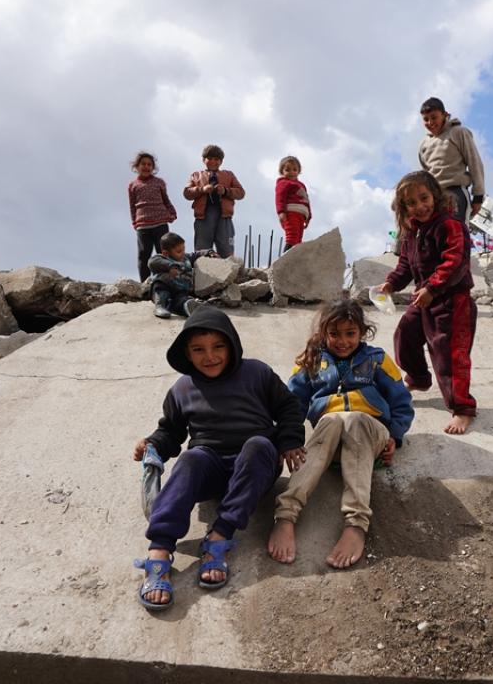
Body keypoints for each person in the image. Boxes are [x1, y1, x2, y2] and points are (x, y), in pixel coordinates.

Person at [132, 308, 305, 612]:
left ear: (232, 345)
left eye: (218, 346)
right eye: (198, 349)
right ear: (187, 353)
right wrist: (153, 443)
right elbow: (171, 431)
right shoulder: (182, 388)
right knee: (191, 459)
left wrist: (290, 439)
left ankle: (219, 534)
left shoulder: (257, 373)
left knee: (258, 445)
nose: (209, 356)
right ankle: (159, 548)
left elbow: (288, 406)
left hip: (255, 466)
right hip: (210, 467)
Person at [267, 297, 414, 569]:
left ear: (362, 332)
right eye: (334, 334)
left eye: (350, 333)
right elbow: (292, 406)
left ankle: (356, 523)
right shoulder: (310, 361)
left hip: (370, 436)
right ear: (324, 333)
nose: (343, 341)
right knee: (334, 420)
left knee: (355, 419)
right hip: (330, 441)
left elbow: (401, 402)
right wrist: (286, 441)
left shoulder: (377, 359)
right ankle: (285, 515)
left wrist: (394, 436)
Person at [375, 171, 478, 435]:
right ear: (403, 208)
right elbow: (405, 265)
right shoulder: (412, 232)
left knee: (449, 355)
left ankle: (462, 408)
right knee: (405, 335)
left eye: (424, 198)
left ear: (435, 195)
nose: (420, 206)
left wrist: (432, 287)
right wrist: (391, 283)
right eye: (411, 203)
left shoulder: (450, 225)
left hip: (452, 301)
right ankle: (419, 378)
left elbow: (455, 261)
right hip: (424, 299)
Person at [417, 97, 486, 226]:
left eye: (434, 117)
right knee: (434, 234)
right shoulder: (424, 145)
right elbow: (425, 173)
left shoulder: (458, 133)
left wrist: (478, 196)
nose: (430, 122)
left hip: (455, 193)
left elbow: (474, 163)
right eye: (426, 119)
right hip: (434, 197)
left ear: (444, 115)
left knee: (456, 231)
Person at [183, 144, 245, 258]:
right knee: (202, 251)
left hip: (224, 217)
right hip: (203, 217)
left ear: (221, 161)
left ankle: (228, 269)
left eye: (216, 159)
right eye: (210, 158)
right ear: (203, 160)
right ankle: (203, 269)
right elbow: (187, 193)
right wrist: (202, 189)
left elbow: (241, 192)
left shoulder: (229, 175)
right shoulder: (196, 175)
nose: (213, 161)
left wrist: (225, 191)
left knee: (226, 249)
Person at [128, 151, 178, 282]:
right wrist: (134, 222)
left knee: (164, 254)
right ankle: (145, 284)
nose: (146, 167)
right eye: (143, 164)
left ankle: (166, 281)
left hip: (160, 224)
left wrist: (172, 213)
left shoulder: (159, 182)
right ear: (137, 166)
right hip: (143, 226)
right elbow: (132, 206)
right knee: (143, 255)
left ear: (153, 167)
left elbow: (166, 200)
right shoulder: (133, 186)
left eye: (149, 164)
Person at [147, 232, 214, 319]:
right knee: (160, 285)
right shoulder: (161, 258)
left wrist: (209, 252)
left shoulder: (185, 258)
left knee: (182, 301)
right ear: (166, 253)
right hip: (166, 288)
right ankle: (160, 306)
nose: (182, 253)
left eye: (183, 249)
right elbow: (152, 262)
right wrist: (170, 266)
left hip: (181, 291)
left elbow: (196, 254)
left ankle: (187, 307)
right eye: (179, 251)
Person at [275, 155, 311, 252]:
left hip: (301, 215)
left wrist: (308, 217)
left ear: (299, 171)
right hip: (291, 213)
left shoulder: (301, 185)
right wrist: (281, 212)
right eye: (288, 170)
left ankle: (294, 259)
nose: (291, 172)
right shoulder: (283, 183)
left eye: (294, 169)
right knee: (292, 237)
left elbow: (306, 201)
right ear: (282, 171)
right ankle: (285, 259)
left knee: (298, 240)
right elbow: (280, 198)